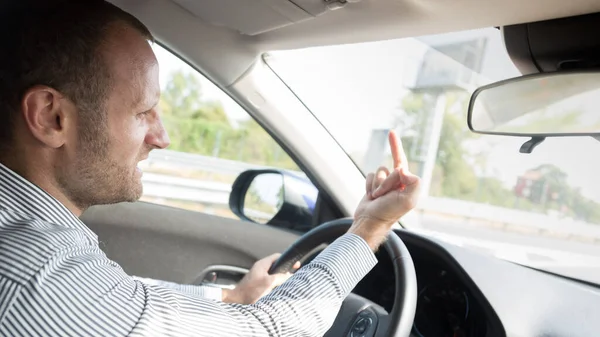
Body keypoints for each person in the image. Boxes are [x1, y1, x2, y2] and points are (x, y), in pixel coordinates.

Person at [0, 1, 421, 336]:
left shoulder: (33, 244)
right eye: (143, 112)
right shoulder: (38, 276)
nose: (161, 137)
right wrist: (369, 229)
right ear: (51, 116)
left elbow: (129, 299)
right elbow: (271, 327)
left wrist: (232, 297)